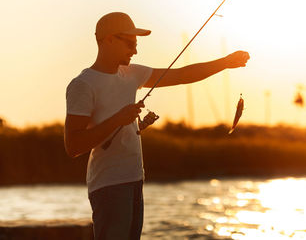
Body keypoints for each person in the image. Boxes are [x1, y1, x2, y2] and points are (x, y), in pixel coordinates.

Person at [64, 12, 250, 240]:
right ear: (109, 39)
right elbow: (73, 145)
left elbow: (182, 75)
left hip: (134, 179)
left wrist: (225, 63)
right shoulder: (83, 85)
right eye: (130, 43)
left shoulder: (132, 74)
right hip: (109, 185)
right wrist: (118, 118)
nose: (135, 50)